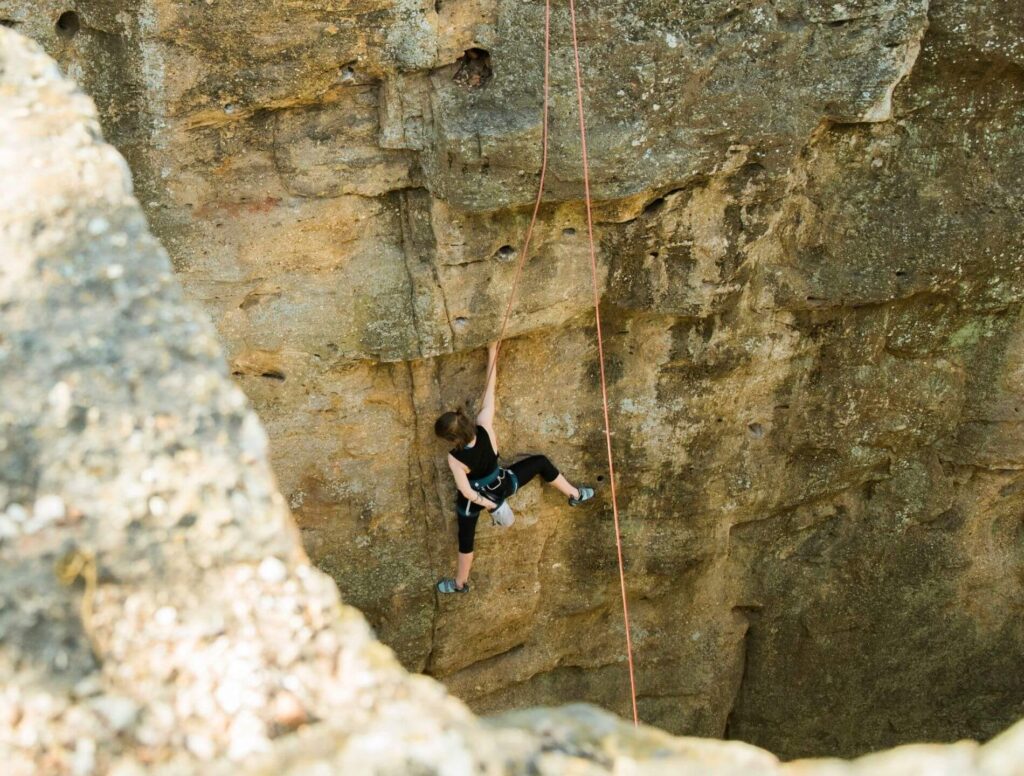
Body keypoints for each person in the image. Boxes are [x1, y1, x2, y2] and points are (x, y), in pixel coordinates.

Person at [434, 342, 595, 594]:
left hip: (476, 500)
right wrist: (492, 351)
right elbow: (490, 391)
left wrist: (490, 505)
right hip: (503, 483)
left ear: (452, 439)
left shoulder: (455, 459)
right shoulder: (484, 426)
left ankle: (459, 584)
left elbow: (466, 492)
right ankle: (575, 494)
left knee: (466, 542)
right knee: (540, 462)